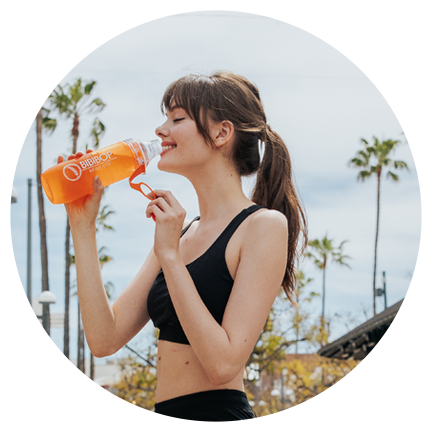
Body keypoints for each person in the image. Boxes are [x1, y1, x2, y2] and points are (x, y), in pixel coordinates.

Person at [59, 71, 307, 421]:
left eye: (177, 119)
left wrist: (171, 257)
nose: (161, 130)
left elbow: (223, 364)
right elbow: (104, 339)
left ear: (222, 133)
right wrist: (82, 226)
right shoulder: (179, 233)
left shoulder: (262, 226)